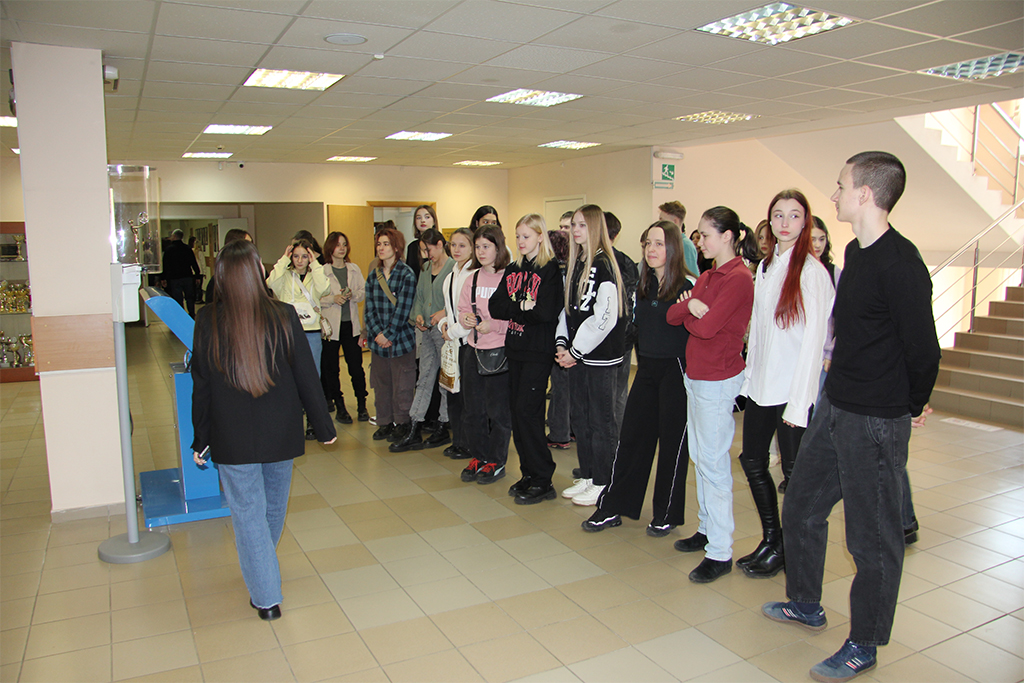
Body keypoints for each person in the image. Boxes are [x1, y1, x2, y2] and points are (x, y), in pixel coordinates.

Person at [762, 151, 941, 683]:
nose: (834, 195)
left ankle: (864, 643)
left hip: (876, 421)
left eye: (841, 186)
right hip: (837, 406)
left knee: (871, 537)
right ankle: (805, 603)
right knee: (801, 505)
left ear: (865, 194)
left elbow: (923, 349)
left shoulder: (901, 263)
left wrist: (909, 405)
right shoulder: (856, 255)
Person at [191, 240, 336, 622]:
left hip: (232, 437)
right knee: (270, 509)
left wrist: (201, 438)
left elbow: (201, 386)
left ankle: (266, 592)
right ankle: (263, 574)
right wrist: (323, 426)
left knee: (249, 514)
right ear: (258, 272)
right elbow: (307, 376)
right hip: (280, 433)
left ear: (222, 276)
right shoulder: (282, 314)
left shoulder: (207, 319)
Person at [736, 190, 834, 579]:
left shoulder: (812, 273)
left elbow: (813, 345)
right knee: (752, 461)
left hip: (792, 392)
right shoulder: (765, 267)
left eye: (794, 215)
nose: (785, 223)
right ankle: (772, 540)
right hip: (763, 386)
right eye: (778, 215)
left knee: (794, 478)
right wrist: (749, 379)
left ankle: (792, 550)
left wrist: (800, 403)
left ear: (805, 221)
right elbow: (759, 332)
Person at [581, 220, 694, 535]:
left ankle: (666, 513)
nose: (651, 250)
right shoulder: (644, 285)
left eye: (659, 243)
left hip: (677, 371)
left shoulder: (687, 286)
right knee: (631, 439)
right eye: (648, 244)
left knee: (672, 445)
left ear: (673, 248)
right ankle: (613, 506)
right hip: (647, 369)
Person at [667, 206, 757, 583]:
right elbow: (672, 315)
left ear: (728, 236)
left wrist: (690, 311)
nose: (699, 241)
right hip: (697, 376)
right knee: (700, 456)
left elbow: (706, 329)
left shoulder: (738, 278)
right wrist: (691, 305)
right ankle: (706, 529)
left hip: (718, 380)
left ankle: (720, 551)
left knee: (714, 463)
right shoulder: (707, 275)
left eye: (705, 235)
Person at [490, 214, 564, 504]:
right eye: (518, 236)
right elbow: (496, 306)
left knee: (528, 414)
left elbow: (545, 312)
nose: (520, 241)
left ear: (540, 237)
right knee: (517, 415)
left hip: (538, 352)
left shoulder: (550, 270)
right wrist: (522, 306)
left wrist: (516, 307)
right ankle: (528, 473)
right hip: (515, 348)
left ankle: (543, 479)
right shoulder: (513, 268)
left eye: (526, 236)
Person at [556, 205, 626, 507]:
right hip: (578, 357)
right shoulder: (578, 262)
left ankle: (603, 481)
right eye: (573, 224)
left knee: (601, 421)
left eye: (582, 225)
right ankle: (588, 474)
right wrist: (563, 343)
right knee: (581, 418)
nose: (575, 230)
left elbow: (604, 318)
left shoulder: (604, 265)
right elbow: (568, 310)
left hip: (599, 358)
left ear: (596, 227)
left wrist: (576, 350)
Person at [457, 225, 512, 485]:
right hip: (473, 349)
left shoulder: (509, 277)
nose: (480, 252)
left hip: (499, 351)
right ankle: (478, 456)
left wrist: (496, 326)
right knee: (473, 410)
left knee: (498, 412)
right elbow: (462, 309)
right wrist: (466, 319)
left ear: (498, 248)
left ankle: (496, 460)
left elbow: (517, 317)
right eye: (477, 247)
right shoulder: (472, 279)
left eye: (486, 246)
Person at [391, 228, 455, 451]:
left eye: (429, 249)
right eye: (422, 250)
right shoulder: (426, 268)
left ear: (440, 245)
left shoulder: (453, 268)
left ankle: (443, 424)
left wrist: (444, 313)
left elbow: (459, 301)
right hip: (427, 332)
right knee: (425, 377)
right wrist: (417, 315)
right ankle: (415, 425)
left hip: (445, 333)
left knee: (446, 380)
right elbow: (419, 297)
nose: (426, 255)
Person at [266, 238, 330, 439]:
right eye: (296, 256)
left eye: (304, 256)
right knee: (288, 379)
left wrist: (315, 264)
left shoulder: (315, 275)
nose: (300, 260)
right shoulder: (285, 276)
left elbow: (325, 288)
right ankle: (292, 420)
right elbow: (270, 283)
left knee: (312, 378)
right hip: (288, 332)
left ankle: (313, 421)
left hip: (311, 333)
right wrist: (283, 260)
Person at [363, 227, 418, 444]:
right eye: (379, 244)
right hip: (378, 343)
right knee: (381, 384)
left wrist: (389, 334)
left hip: (401, 341)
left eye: (386, 244)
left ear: (396, 247)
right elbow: (368, 309)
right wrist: (377, 333)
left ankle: (402, 423)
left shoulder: (406, 274)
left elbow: (404, 309)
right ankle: (384, 422)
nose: (381, 248)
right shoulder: (373, 276)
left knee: (402, 384)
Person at [319, 231, 368, 424]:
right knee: (332, 369)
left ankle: (362, 405)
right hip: (331, 328)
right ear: (330, 247)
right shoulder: (322, 271)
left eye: (344, 244)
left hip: (351, 326)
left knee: (356, 368)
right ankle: (340, 407)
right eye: (338, 244)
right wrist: (333, 298)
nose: (342, 248)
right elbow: (315, 298)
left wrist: (352, 294)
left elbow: (363, 292)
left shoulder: (353, 269)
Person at [438, 228, 476, 460]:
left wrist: (452, 332)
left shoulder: (475, 274)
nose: (457, 250)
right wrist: (443, 324)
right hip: (453, 342)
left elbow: (471, 315)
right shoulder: (450, 275)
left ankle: (470, 443)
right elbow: (449, 310)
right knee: (452, 392)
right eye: (453, 245)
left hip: (468, 343)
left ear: (472, 247)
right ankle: (458, 441)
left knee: (468, 398)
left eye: (462, 245)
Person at [605, 211, 639, 435]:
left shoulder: (615, 263)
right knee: (618, 392)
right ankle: (617, 438)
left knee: (612, 394)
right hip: (623, 337)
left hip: (615, 339)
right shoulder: (627, 261)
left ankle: (614, 440)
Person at [545, 229, 572, 451]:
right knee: (564, 386)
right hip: (570, 336)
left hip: (557, 336)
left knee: (560, 387)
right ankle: (566, 429)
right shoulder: (573, 270)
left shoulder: (553, 273)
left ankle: (559, 433)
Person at [162, 228, 202, 317]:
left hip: (174, 278)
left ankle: (181, 315)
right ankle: (192, 314)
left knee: (178, 298)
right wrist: (197, 275)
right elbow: (193, 263)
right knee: (189, 297)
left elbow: (165, 265)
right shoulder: (187, 248)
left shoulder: (169, 250)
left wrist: (163, 278)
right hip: (187, 276)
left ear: (174, 236)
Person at [658, 201, 700, 280]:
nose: (659, 224)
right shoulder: (670, 243)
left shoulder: (685, 245)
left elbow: (691, 277)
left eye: (662, 220)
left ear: (675, 221)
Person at [406, 205, 436, 274]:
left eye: (427, 217)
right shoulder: (412, 247)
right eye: (418, 218)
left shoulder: (442, 245)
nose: (423, 220)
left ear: (434, 221)